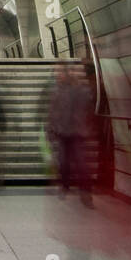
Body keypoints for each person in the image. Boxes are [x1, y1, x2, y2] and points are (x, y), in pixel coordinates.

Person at [48, 59, 95, 207]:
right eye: (57, 71)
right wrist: (51, 128)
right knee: (63, 162)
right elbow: (53, 111)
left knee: (82, 164)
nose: (57, 74)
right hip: (63, 132)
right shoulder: (57, 90)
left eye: (60, 71)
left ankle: (86, 194)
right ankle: (65, 186)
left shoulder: (79, 88)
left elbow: (88, 106)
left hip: (77, 132)